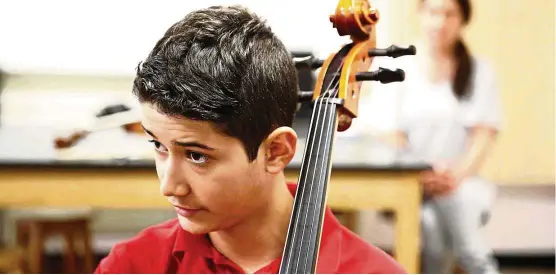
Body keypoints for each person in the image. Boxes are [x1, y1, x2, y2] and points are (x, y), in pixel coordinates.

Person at [94, 5, 405, 274]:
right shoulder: (131, 265)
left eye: (196, 155)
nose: (169, 186)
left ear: (276, 152)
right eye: (158, 146)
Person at [369, 0, 502, 273]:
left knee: (449, 220)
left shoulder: (479, 70)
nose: (440, 22)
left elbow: (484, 135)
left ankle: (477, 263)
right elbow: (389, 133)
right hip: (412, 182)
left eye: (449, 14)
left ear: (463, 20)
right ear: (420, 14)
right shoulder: (397, 66)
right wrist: (423, 171)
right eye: (433, 12)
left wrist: (453, 175)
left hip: (462, 182)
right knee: (432, 228)